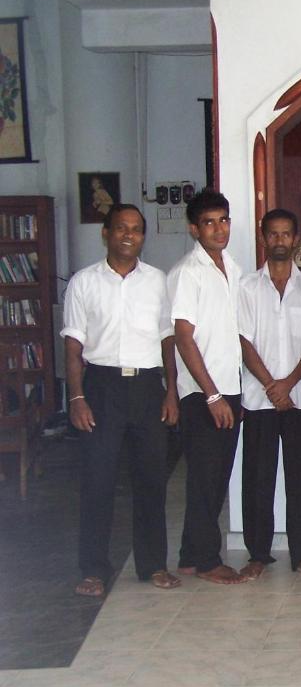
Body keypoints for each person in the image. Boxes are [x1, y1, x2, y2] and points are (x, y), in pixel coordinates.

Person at [63, 204, 180, 597]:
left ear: (143, 237)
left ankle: (153, 565)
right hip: (102, 387)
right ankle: (93, 569)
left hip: (147, 388)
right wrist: (77, 397)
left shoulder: (158, 281)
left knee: (151, 480)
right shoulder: (83, 282)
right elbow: (74, 345)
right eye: (121, 228)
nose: (128, 235)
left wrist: (171, 390)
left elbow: (168, 339)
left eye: (136, 229)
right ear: (106, 233)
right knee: (98, 480)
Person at [237, 209, 301, 580]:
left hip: (299, 398)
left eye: (286, 234)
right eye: (272, 234)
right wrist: (272, 386)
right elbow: (243, 341)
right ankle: (258, 554)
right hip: (259, 400)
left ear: (296, 240)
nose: (279, 241)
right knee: (258, 479)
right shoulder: (245, 287)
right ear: (263, 238)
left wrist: (287, 384)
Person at [167, 188, 248, 585]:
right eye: (210, 223)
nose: (219, 229)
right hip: (203, 393)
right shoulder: (187, 272)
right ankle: (206, 561)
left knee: (214, 477)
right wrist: (213, 395)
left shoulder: (232, 266)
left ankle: (187, 556)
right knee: (206, 478)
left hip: (228, 386)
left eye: (224, 220)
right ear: (194, 229)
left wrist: (232, 391)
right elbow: (184, 337)